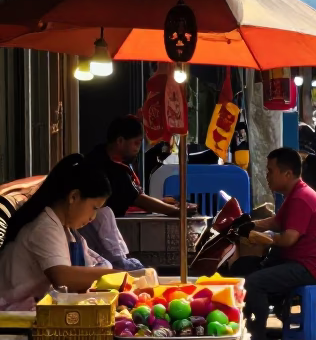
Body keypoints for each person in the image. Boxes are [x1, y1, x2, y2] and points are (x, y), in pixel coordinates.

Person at [236, 148, 316, 340]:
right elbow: (276, 221)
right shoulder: (295, 194)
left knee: (255, 282)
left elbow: (289, 237)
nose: (267, 176)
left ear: (287, 174)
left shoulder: (300, 198)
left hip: (309, 267)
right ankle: (253, 330)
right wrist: (248, 224)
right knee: (246, 270)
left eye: (270, 171)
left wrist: (264, 237)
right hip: (296, 260)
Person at [0, 155, 114, 309]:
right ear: (74, 197)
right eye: (94, 208)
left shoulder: (68, 231)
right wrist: (121, 276)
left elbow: (94, 266)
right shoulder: (44, 227)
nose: (93, 217)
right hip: (11, 318)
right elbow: (62, 277)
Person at [86, 116, 190, 218]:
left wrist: (163, 203)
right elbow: (138, 199)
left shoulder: (100, 153)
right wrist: (176, 211)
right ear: (120, 141)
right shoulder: (110, 168)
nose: (138, 149)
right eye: (136, 143)